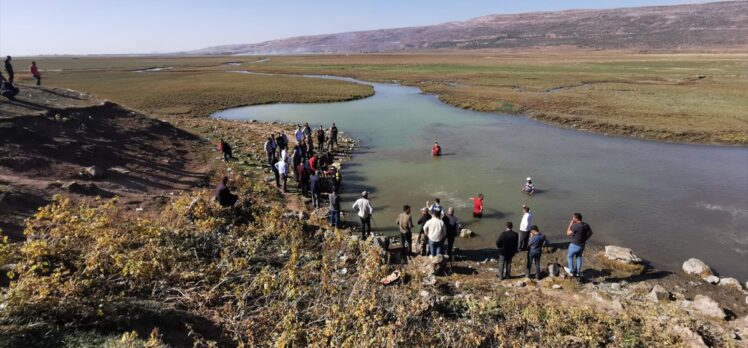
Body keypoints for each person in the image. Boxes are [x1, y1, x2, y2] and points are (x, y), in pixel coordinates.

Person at [566, 212, 592, 277]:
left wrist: (570, 224)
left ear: (576, 219)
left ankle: (571, 271)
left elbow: (568, 233)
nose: (572, 219)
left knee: (569, 256)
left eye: (573, 218)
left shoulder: (575, 226)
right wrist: (585, 239)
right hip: (582, 245)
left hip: (574, 244)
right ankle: (578, 271)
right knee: (579, 257)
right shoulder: (586, 225)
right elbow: (591, 232)